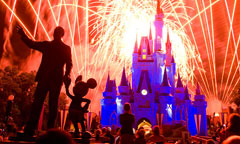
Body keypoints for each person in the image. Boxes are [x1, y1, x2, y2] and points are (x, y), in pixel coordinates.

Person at [17, 25, 72, 137]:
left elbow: (31, 44)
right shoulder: (65, 48)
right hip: (56, 79)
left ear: (57, 34)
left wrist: (23, 34)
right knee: (52, 105)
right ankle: (51, 131)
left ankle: (30, 129)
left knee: (38, 104)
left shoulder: (47, 45)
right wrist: (66, 75)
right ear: (62, 35)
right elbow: (69, 64)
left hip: (45, 78)